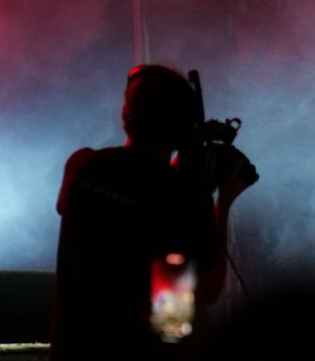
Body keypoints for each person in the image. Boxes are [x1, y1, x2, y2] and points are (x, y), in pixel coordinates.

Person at [50, 64, 256, 361]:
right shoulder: (181, 195)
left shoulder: (81, 165)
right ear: (183, 126)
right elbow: (204, 292)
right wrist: (222, 202)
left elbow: (130, 199)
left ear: (126, 113)